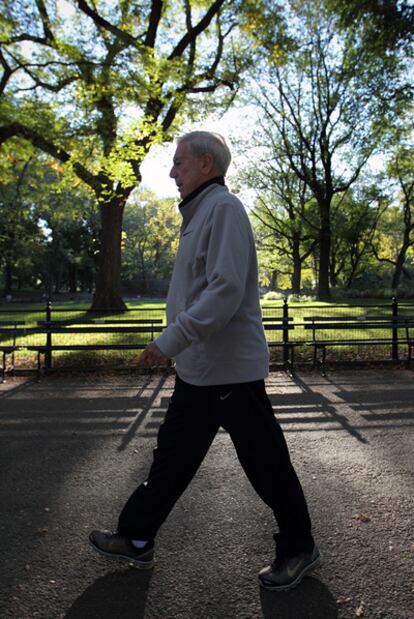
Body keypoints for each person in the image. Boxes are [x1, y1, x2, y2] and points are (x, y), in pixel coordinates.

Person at [89, 131, 320, 591]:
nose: (172, 171)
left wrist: (172, 338)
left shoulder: (224, 210)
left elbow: (225, 291)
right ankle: (136, 538)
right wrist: (180, 344)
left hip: (229, 372)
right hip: (200, 371)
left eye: (179, 162)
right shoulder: (199, 214)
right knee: (170, 459)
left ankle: (299, 548)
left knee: (267, 467)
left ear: (206, 165)